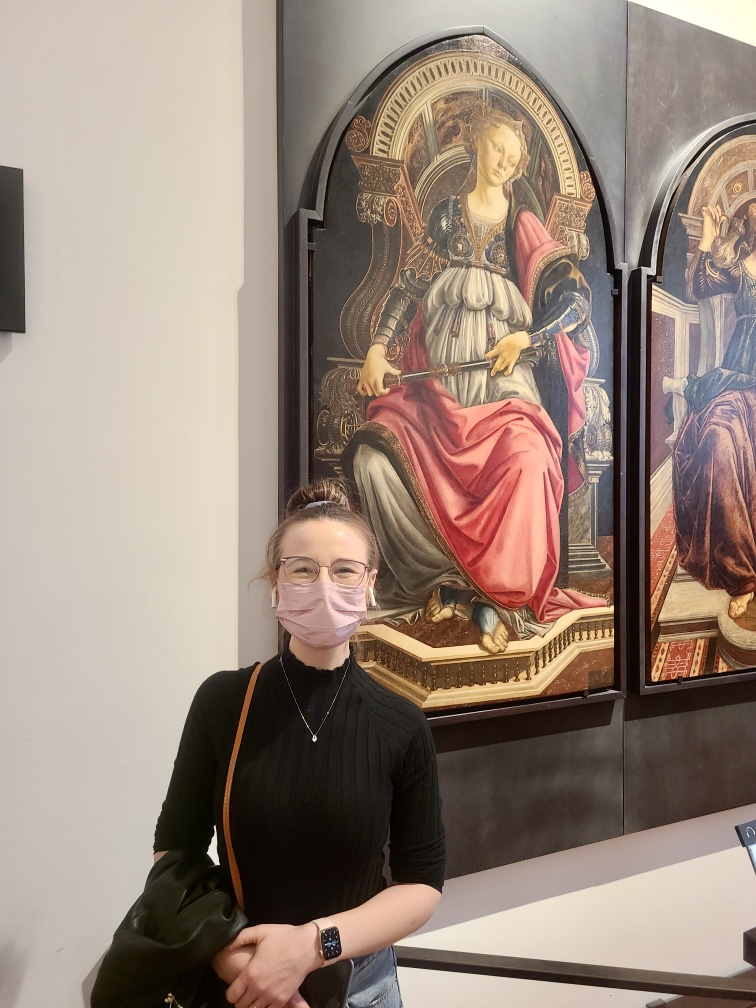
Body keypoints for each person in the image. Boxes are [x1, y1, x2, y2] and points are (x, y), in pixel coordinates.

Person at [153, 478, 445, 1008]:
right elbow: (175, 851)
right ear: (275, 581)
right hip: (239, 977)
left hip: (360, 986)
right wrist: (240, 964)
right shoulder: (223, 701)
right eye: (303, 569)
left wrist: (312, 947)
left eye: (344, 571)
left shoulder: (401, 723)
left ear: (370, 583)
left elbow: (421, 884)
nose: (323, 585)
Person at [344, 100, 600, 654]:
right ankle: (451, 583)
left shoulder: (522, 226)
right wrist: (376, 348)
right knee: (373, 462)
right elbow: (409, 287)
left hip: (506, 390)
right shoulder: (445, 216)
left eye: (514, 156)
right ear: (476, 145)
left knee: (531, 461)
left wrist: (525, 338)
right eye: (498, 149)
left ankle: (502, 596)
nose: (505, 162)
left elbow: (577, 303)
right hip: (436, 390)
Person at [672, 203, 756, 619]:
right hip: (739, 380)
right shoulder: (743, 267)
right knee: (716, 441)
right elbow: (699, 286)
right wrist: (707, 235)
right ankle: (743, 575)